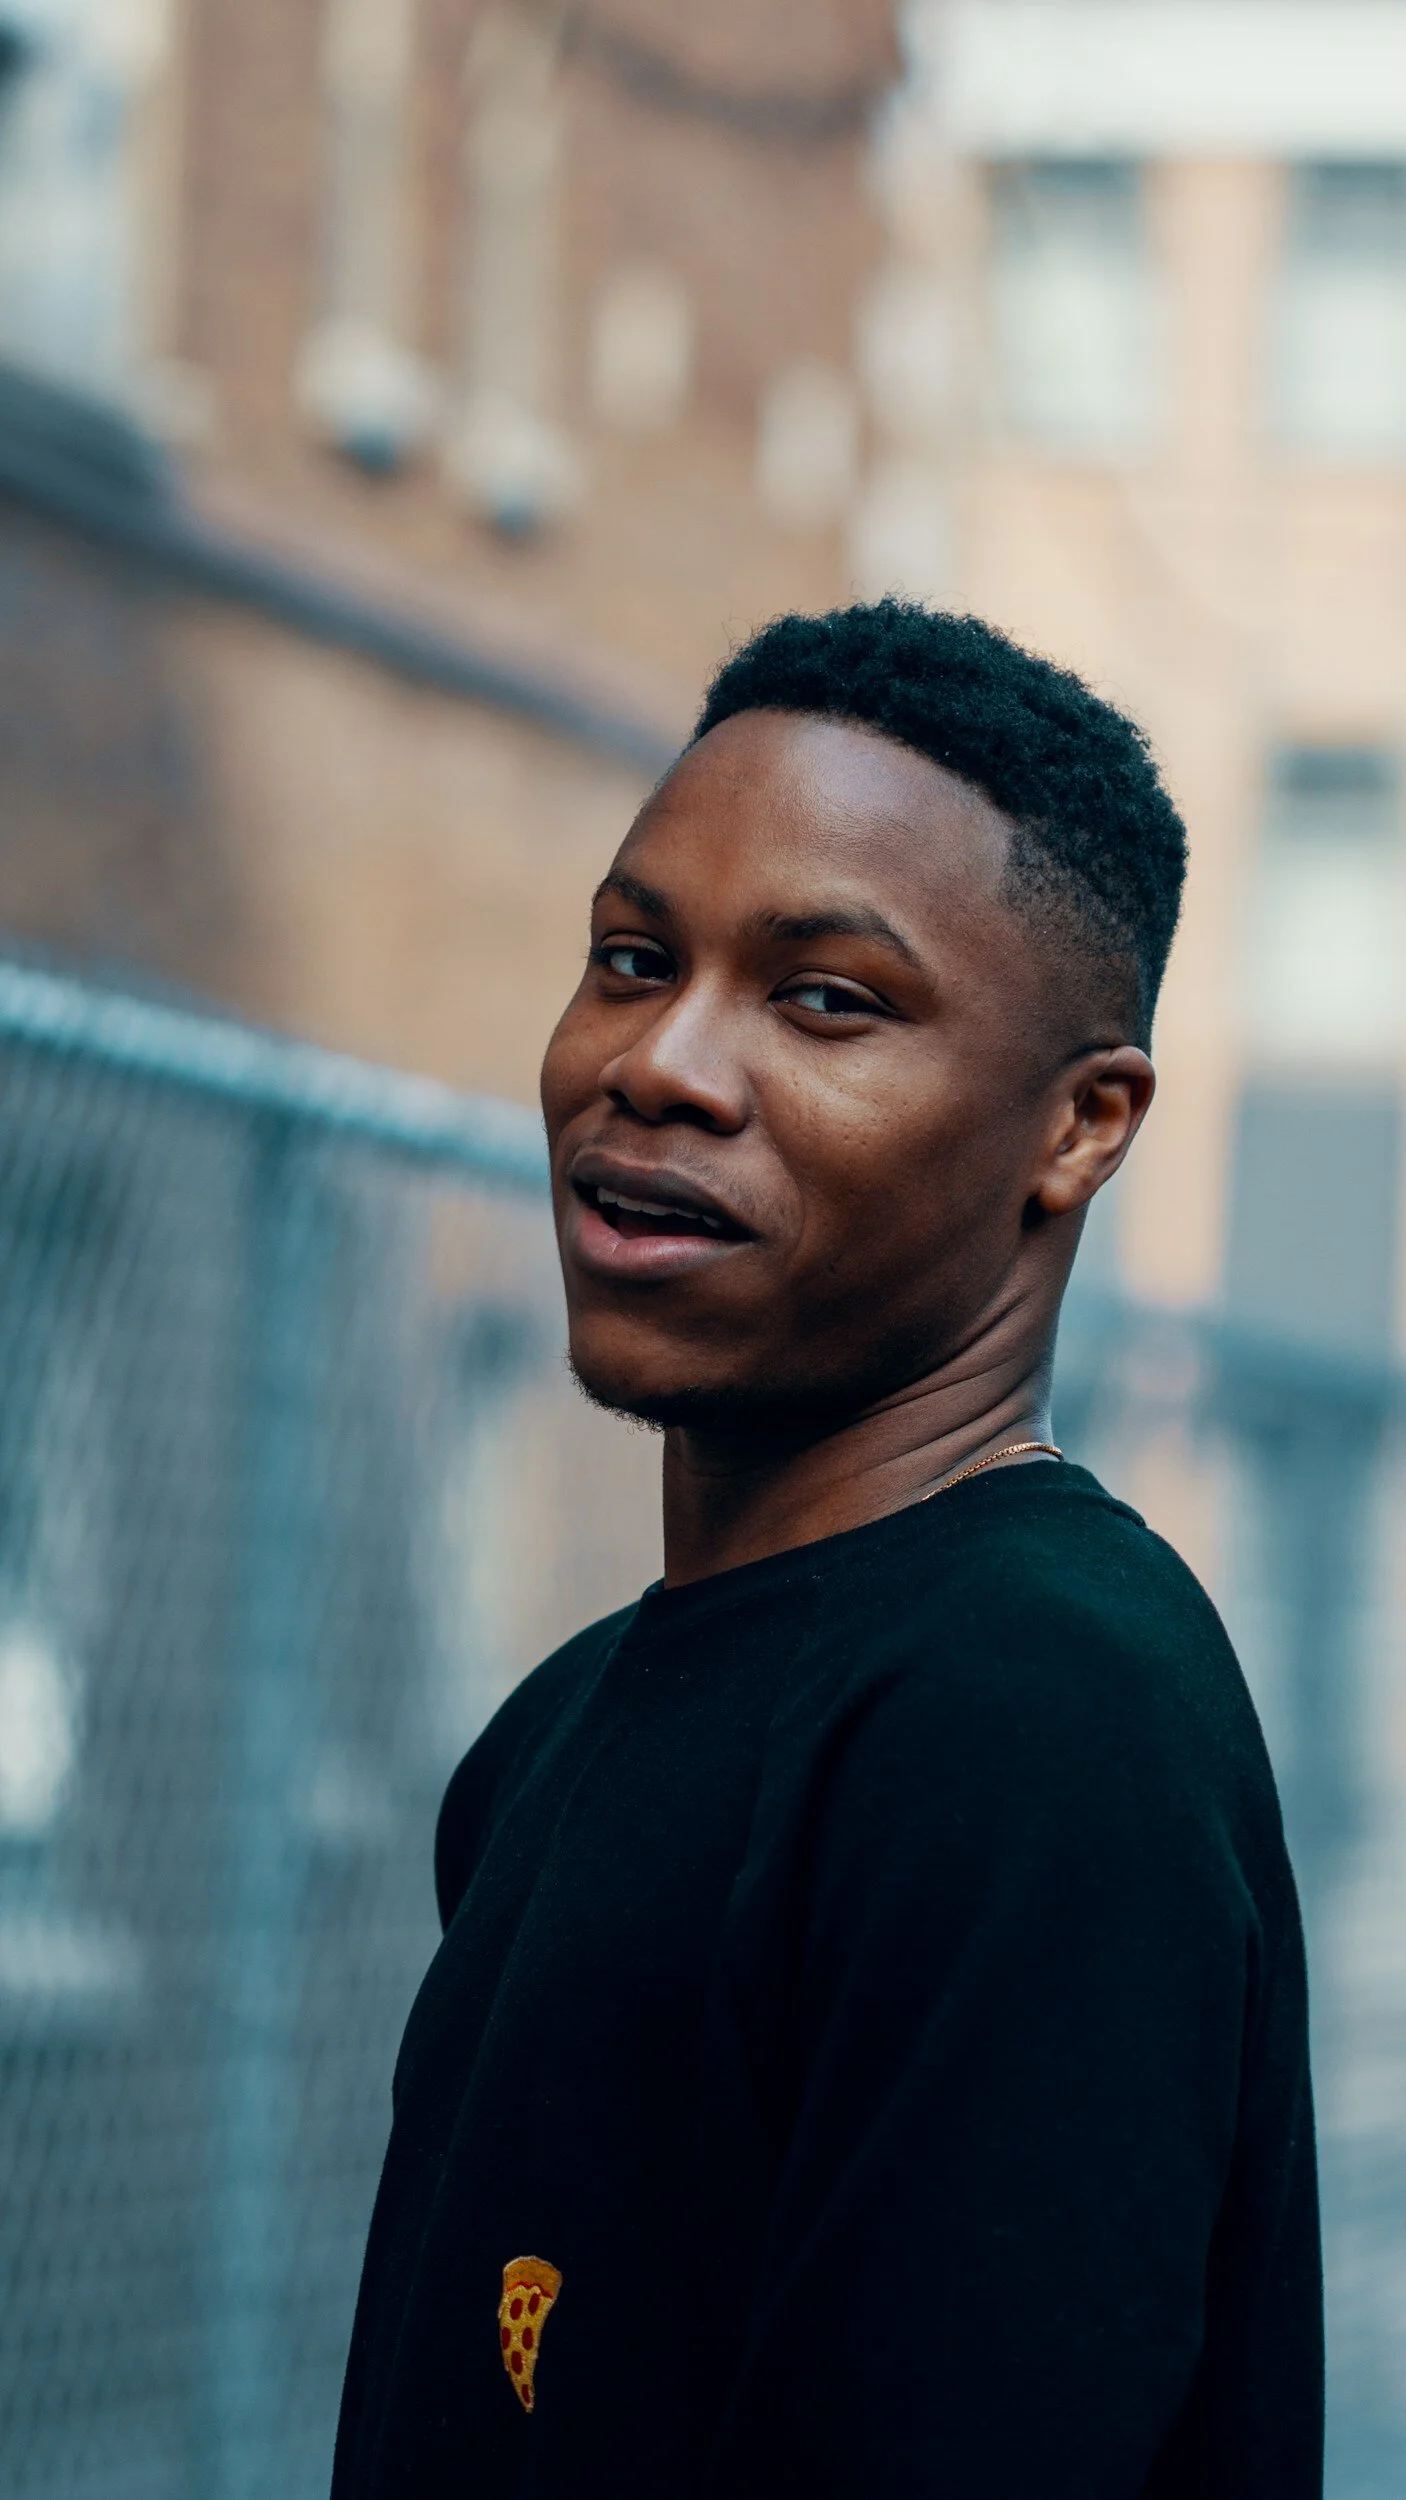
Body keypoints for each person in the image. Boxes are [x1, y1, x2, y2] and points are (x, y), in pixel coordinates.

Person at [331, 601, 1322, 2498]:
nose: (662, 1063)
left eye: (824, 999)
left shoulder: (1033, 1717)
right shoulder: (559, 1732)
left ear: (1078, 1127)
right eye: (631, 959)